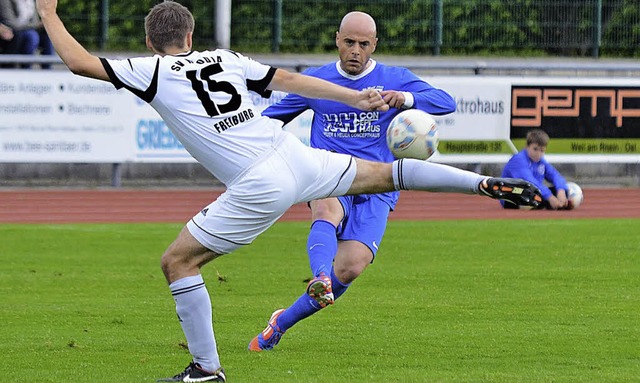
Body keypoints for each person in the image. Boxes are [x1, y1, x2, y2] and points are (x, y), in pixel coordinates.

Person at [36, 0, 542, 381]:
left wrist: (47, 11)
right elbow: (296, 80)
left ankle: (205, 369)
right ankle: (481, 183)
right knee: (387, 173)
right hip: (294, 156)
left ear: (150, 42)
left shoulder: (149, 70)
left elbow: (80, 62)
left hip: (259, 180)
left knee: (178, 263)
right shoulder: (225, 58)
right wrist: (355, 97)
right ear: (192, 34)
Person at [248, 11, 457, 352]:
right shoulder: (318, 82)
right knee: (327, 211)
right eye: (349, 43)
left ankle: (281, 322)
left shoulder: (394, 78)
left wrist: (405, 99)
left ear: (374, 44)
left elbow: (446, 102)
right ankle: (318, 276)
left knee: (350, 269)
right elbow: (270, 119)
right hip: (329, 173)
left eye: (363, 44)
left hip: (377, 185)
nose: (355, 51)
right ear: (337, 40)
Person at [501, 129, 568, 210]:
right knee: (537, 195)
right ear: (527, 146)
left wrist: (561, 190)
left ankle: (557, 204)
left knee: (565, 190)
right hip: (512, 196)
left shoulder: (540, 161)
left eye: (542, 150)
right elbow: (529, 181)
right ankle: (544, 204)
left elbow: (555, 175)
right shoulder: (519, 160)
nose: (538, 154)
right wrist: (549, 196)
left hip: (533, 193)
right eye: (535, 149)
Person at [0, 0, 54, 68]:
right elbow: (11, 23)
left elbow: (35, 21)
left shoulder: (31, 2)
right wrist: (36, 25)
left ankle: (48, 68)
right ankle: (27, 68)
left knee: (48, 34)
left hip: (28, 28)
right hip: (14, 30)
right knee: (32, 36)